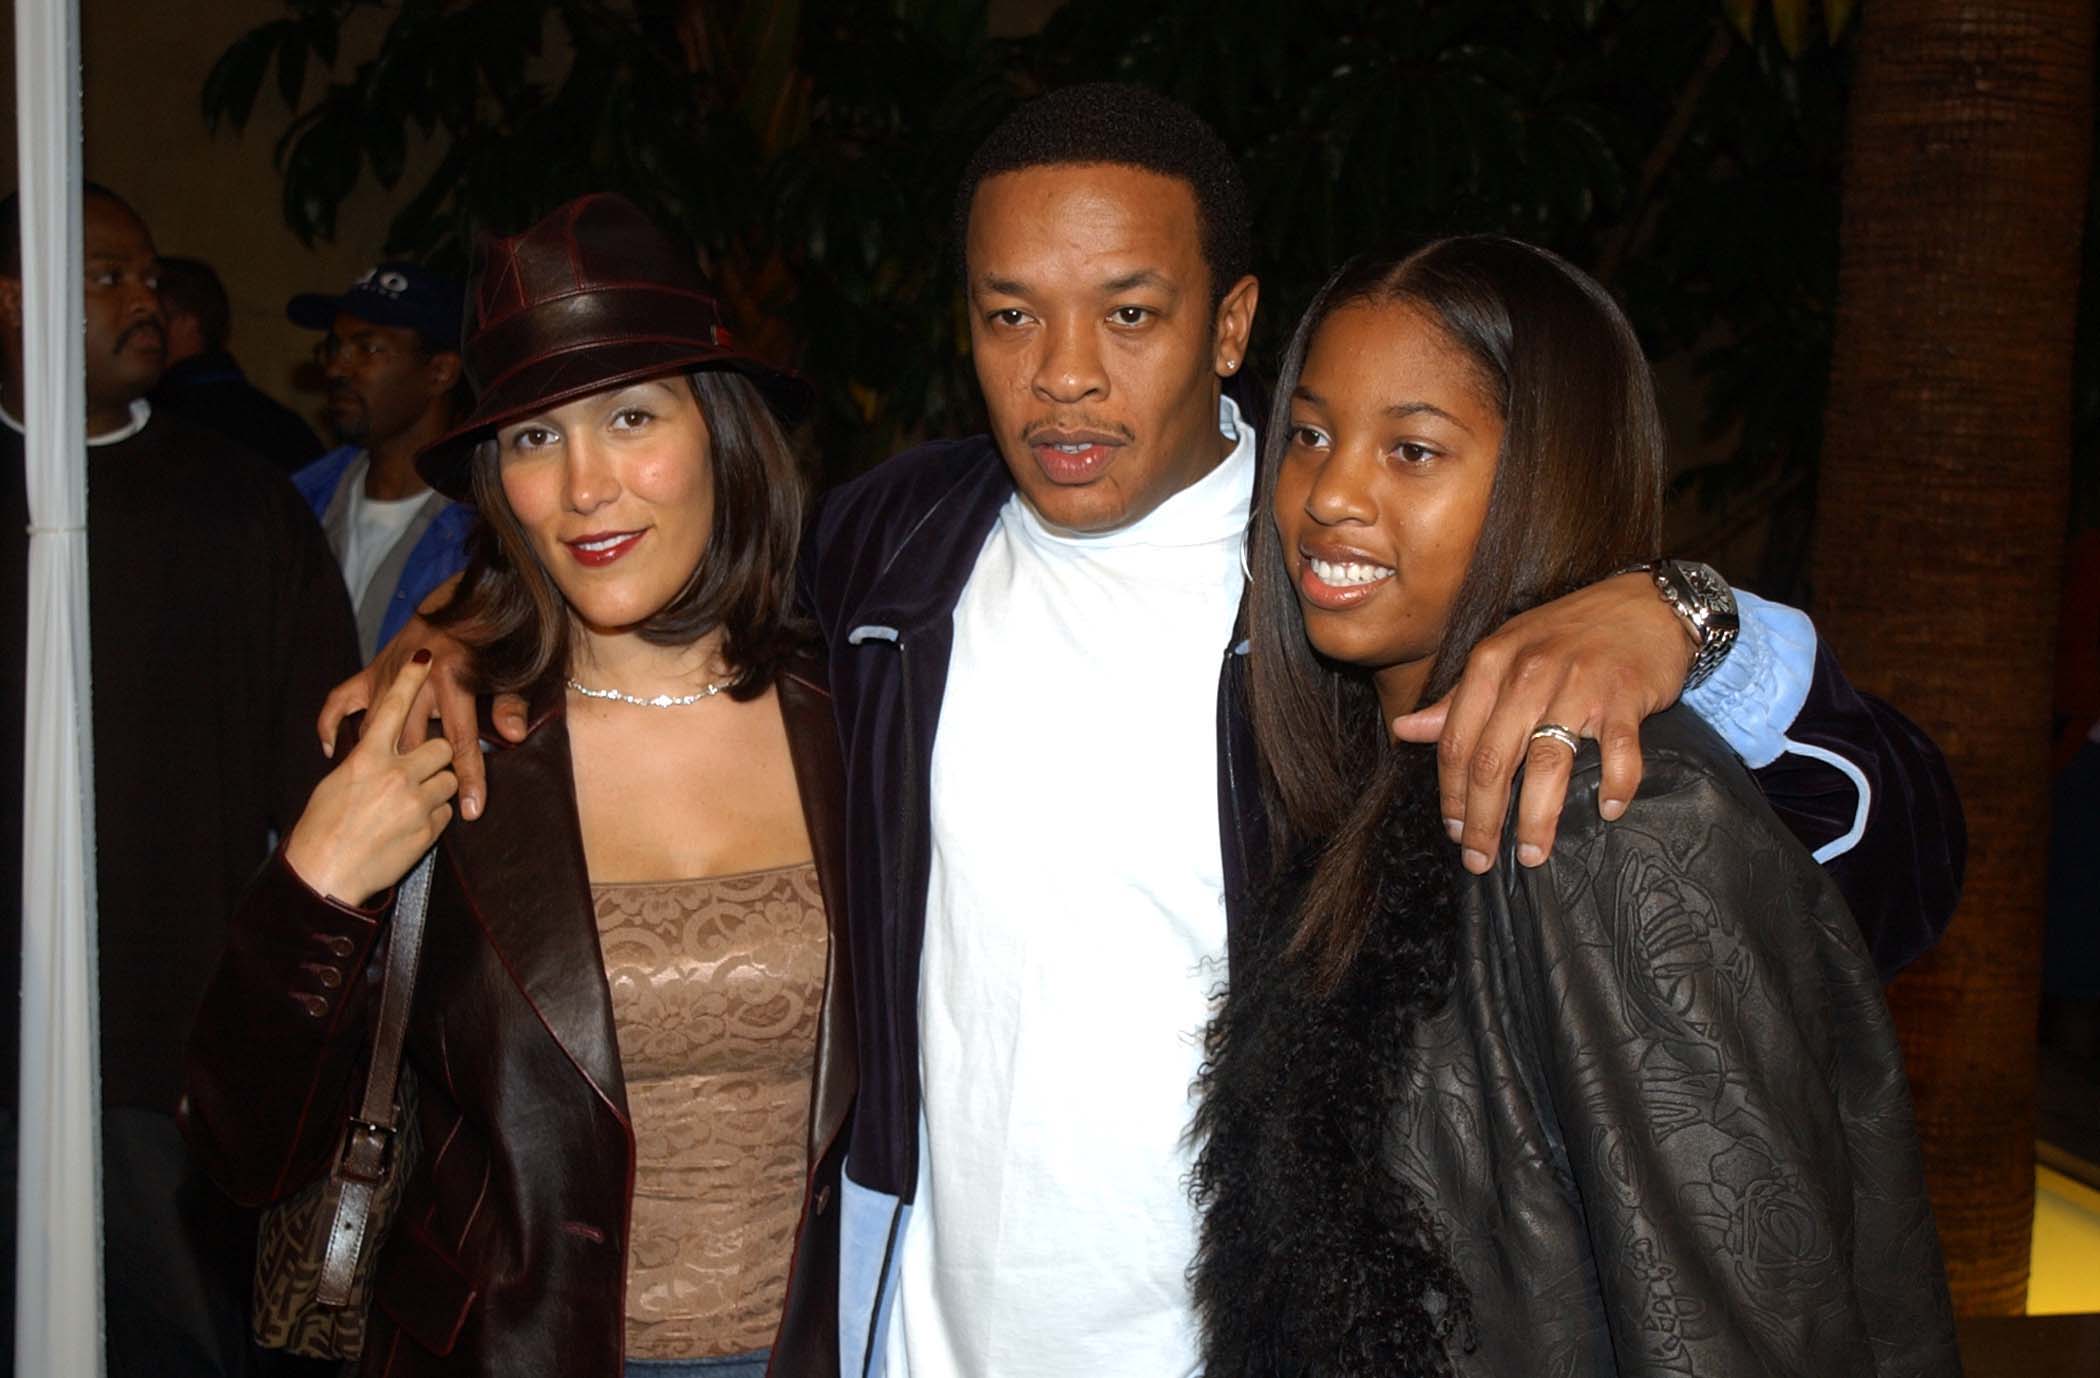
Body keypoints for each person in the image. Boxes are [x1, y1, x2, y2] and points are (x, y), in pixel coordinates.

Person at [330, 86, 1962, 1377]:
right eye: (1008, 316)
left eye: (1129, 313)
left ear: (1233, 320)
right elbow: (678, 588)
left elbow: (1868, 880)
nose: (1063, 381)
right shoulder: (896, 552)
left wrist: (1690, 615)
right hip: (927, 1332)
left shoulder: (1358, 586)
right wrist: (464, 635)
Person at [1190, 237, 1958, 1376]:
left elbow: (1742, 1323)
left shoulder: (1603, 808)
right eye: (1308, 434)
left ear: (1549, 472)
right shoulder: (1363, 774)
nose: (1331, 494)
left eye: (1412, 449)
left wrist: (1690, 609)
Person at [183, 193, 851, 1378]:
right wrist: (316, 884)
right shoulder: (437, 743)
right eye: (536, 438)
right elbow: (241, 1150)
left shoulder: (860, 714)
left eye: (631, 416)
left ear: (722, 434)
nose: (586, 485)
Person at [0, 184, 361, 1377]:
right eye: (105, 276)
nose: (142, 301)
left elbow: (323, 787)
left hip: (166, 1047)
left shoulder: (241, 503)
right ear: (14, 296)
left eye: (149, 277)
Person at [288, 261, 476, 658]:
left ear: (440, 372)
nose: (337, 368)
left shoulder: (489, 533)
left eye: (368, 348)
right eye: (335, 347)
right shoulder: (298, 502)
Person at [151, 255, 325, 473]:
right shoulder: (283, 425)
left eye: (150, 317)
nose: (138, 330)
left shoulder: (163, 420)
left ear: (186, 323)